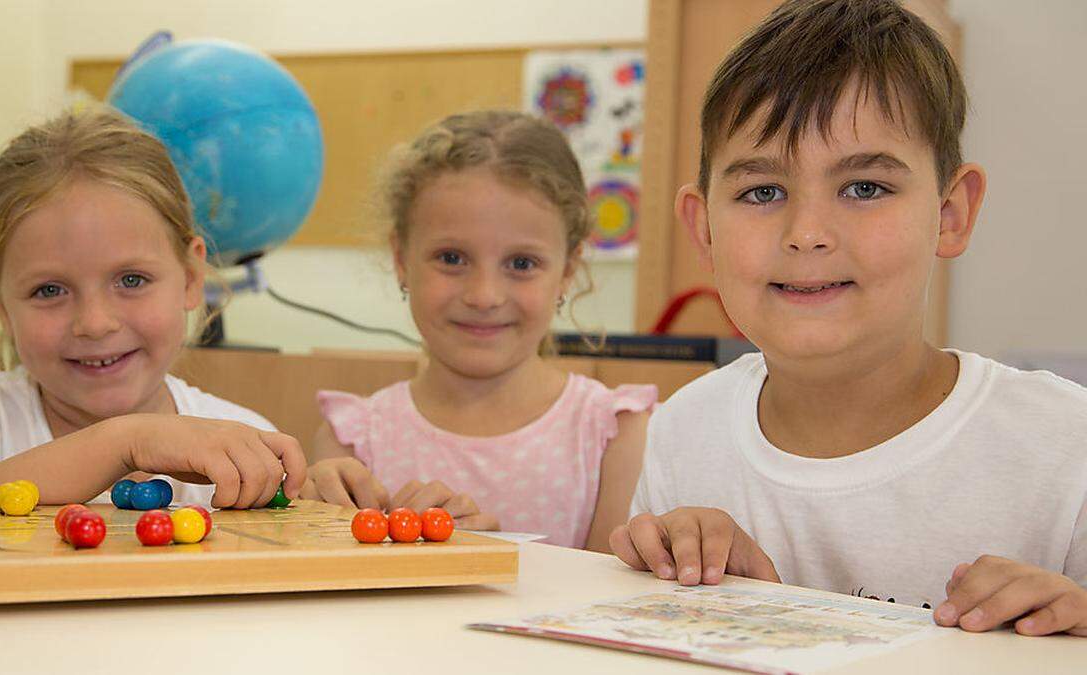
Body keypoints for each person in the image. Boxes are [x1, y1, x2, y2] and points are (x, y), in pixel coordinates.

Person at [610, 0, 1087, 637]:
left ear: (949, 214)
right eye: (763, 192)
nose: (807, 233)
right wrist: (677, 570)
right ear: (704, 229)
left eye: (864, 187)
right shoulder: (680, 434)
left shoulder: (1065, 447)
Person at [0, 108, 306, 509]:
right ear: (0, 303)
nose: (95, 323)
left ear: (192, 278)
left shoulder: (240, 440)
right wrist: (123, 443)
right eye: (49, 290)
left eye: (131, 280)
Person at [308, 111, 656, 549]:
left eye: (521, 264)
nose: (485, 295)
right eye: (452, 258)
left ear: (567, 269)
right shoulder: (352, 443)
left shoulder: (614, 437)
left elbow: (612, 610)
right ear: (401, 259)